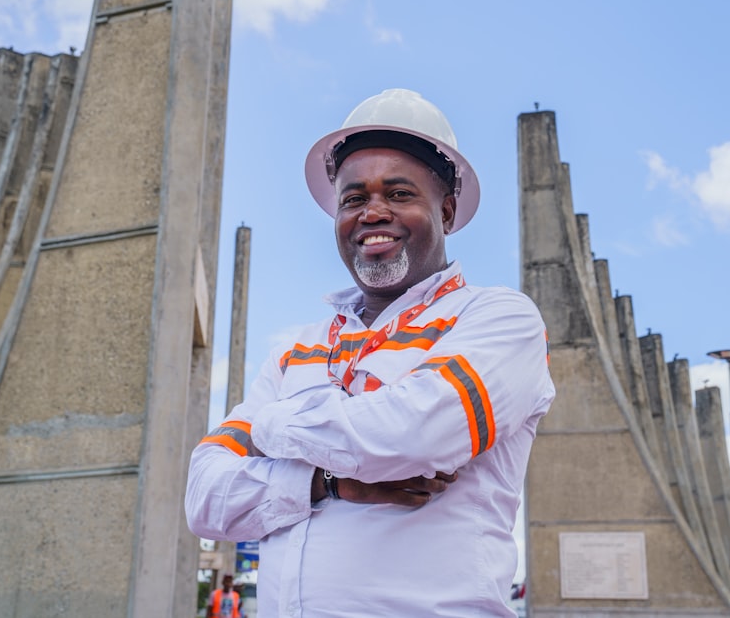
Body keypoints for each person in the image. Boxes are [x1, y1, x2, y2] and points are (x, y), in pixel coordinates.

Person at [186, 88, 555, 616]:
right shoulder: (298, 349)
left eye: (400, 194)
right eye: (354, 198)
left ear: (446, 210)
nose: (373, 212)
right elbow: (205, 498)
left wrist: (269, 428)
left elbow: (413, 437)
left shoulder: (498, 319)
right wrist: (327, 482)